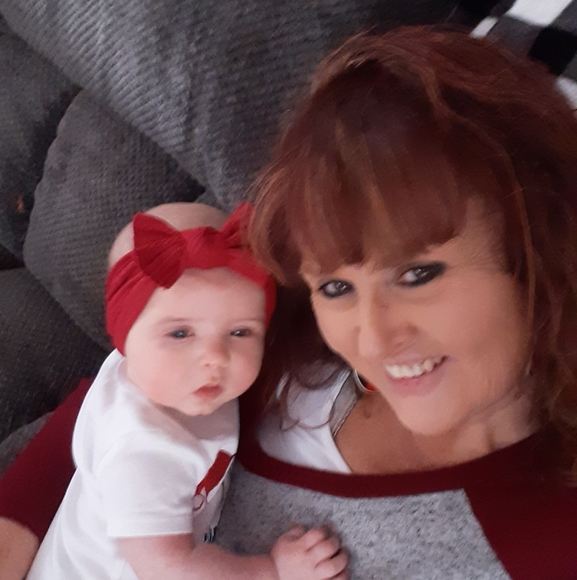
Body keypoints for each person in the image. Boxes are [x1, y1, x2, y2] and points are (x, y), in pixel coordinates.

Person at [2, 25, 577, 579]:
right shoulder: (273, 335)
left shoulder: (546, 546)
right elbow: (120, 397)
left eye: (417, 274)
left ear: (534, 253)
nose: (372, 339)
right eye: (336, 287)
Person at [25, 202, 348, 580]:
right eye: (180, 333)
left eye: (239, 331)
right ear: (124, 336)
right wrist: (274, 571)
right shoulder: (142, 451)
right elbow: (171, 569)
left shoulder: (157, 372)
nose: (215, 357)